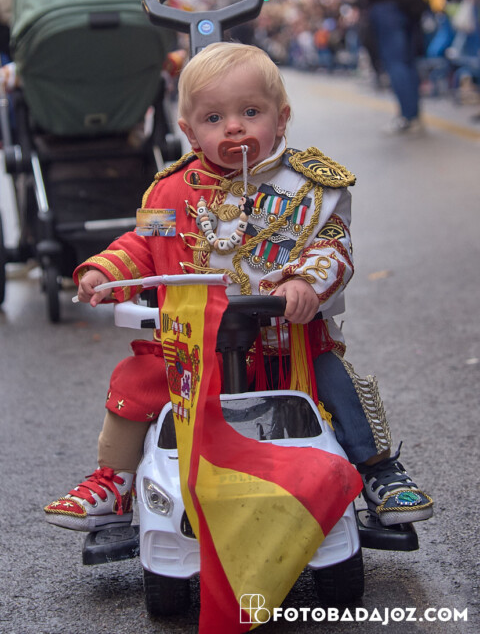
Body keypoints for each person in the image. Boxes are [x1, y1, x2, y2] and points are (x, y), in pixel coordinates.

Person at [44, 42, 433, 532]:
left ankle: (378, 470)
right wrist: (105, 272)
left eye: (251, 112)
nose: (233, 127)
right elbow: (143, 244)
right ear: (189, 132)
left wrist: (304, 281)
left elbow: (334, 247)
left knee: (336, 381)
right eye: (214, 118)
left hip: (286, 344)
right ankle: (114, 480)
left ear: (281, 118)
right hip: (192, 345)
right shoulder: (172, 191)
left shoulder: (309, 188)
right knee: (136, 379)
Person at [345, 0, 427, 134]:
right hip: (409, 4)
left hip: (387, 6)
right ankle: (414, 114)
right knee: (408, 62)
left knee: (396, 62)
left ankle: (407, 116)